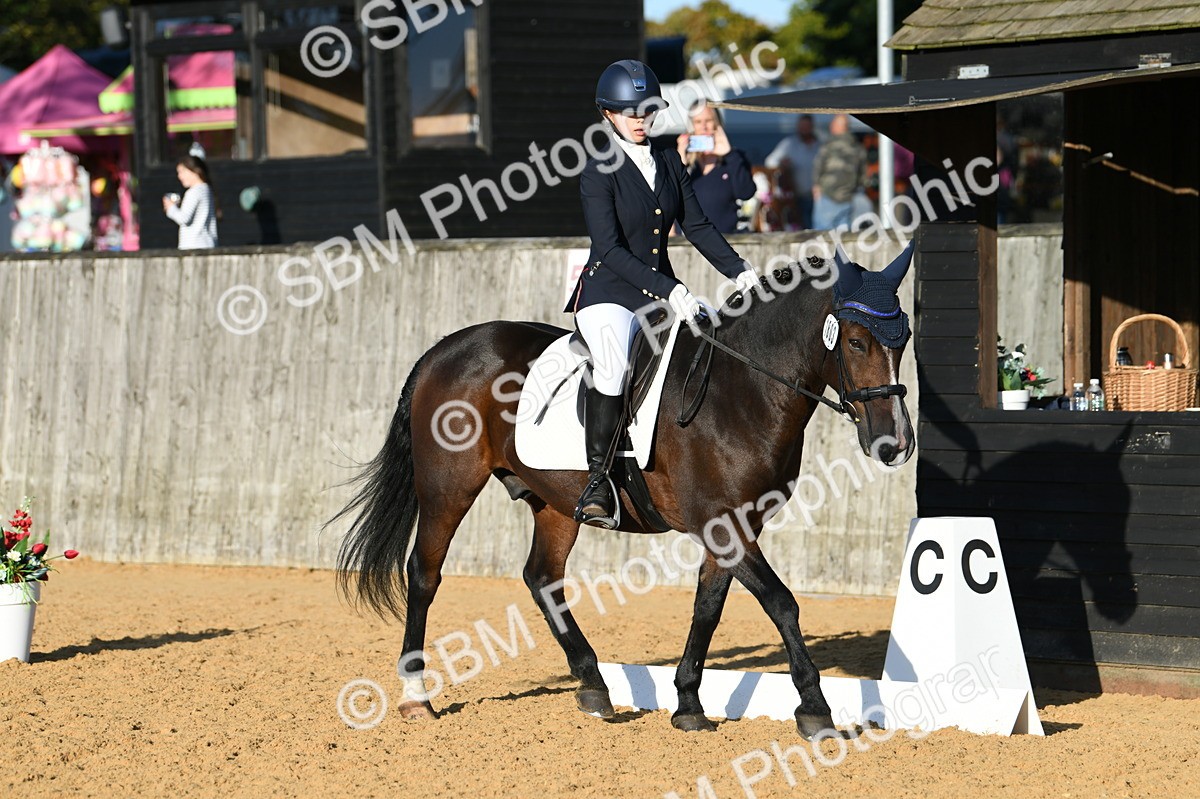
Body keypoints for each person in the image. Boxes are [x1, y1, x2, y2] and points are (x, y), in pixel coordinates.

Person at [564, 59, 759, 529]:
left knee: (708, 346)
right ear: (608, 113)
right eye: (629, 112)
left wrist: (741, 272)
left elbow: (698, 226)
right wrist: (671, 289)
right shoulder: (598, 169)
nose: (640, 119)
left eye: (647, 110)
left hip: (657, 294)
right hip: (609, 294)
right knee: (613, 366)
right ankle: (597, 481)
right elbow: (609, 249)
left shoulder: (670, 161)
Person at [674, 99, 756, 234]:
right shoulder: (686, 163)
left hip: (726, 240)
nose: (704, 127)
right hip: (687, 242)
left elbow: (746, 193)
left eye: (708, 120)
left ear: (717, 123)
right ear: (691, 126)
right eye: (698, 122)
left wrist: (729, 155)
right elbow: (668, 202)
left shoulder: (735, 158)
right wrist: (679, 164)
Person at [764, 114, 821, 229]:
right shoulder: (789, 144)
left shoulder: (820, 145)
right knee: (803, 229)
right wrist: (782, 165)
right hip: (797, 197)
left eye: (807, 126)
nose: (804, 129)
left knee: (819, 228)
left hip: (819, 197)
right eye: (802, 126)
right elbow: (770, 162)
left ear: (812, 127)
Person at [811, 114, 867, 230]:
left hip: (828, 195)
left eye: (833, 124)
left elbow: (818, 167)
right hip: (847, 197)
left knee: (822, 235)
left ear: (836, 127)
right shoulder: (857, 148)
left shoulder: (828, 146)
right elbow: (862, 176)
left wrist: (816, 187)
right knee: (843, 235)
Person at [163, 143, 218, 249]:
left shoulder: (194, 191)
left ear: (194, 170)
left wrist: (170, 208)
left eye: (182, 172)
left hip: (194, 247)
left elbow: (184, 218)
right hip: (208, 244)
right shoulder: (206, 189)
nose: (179, 176)